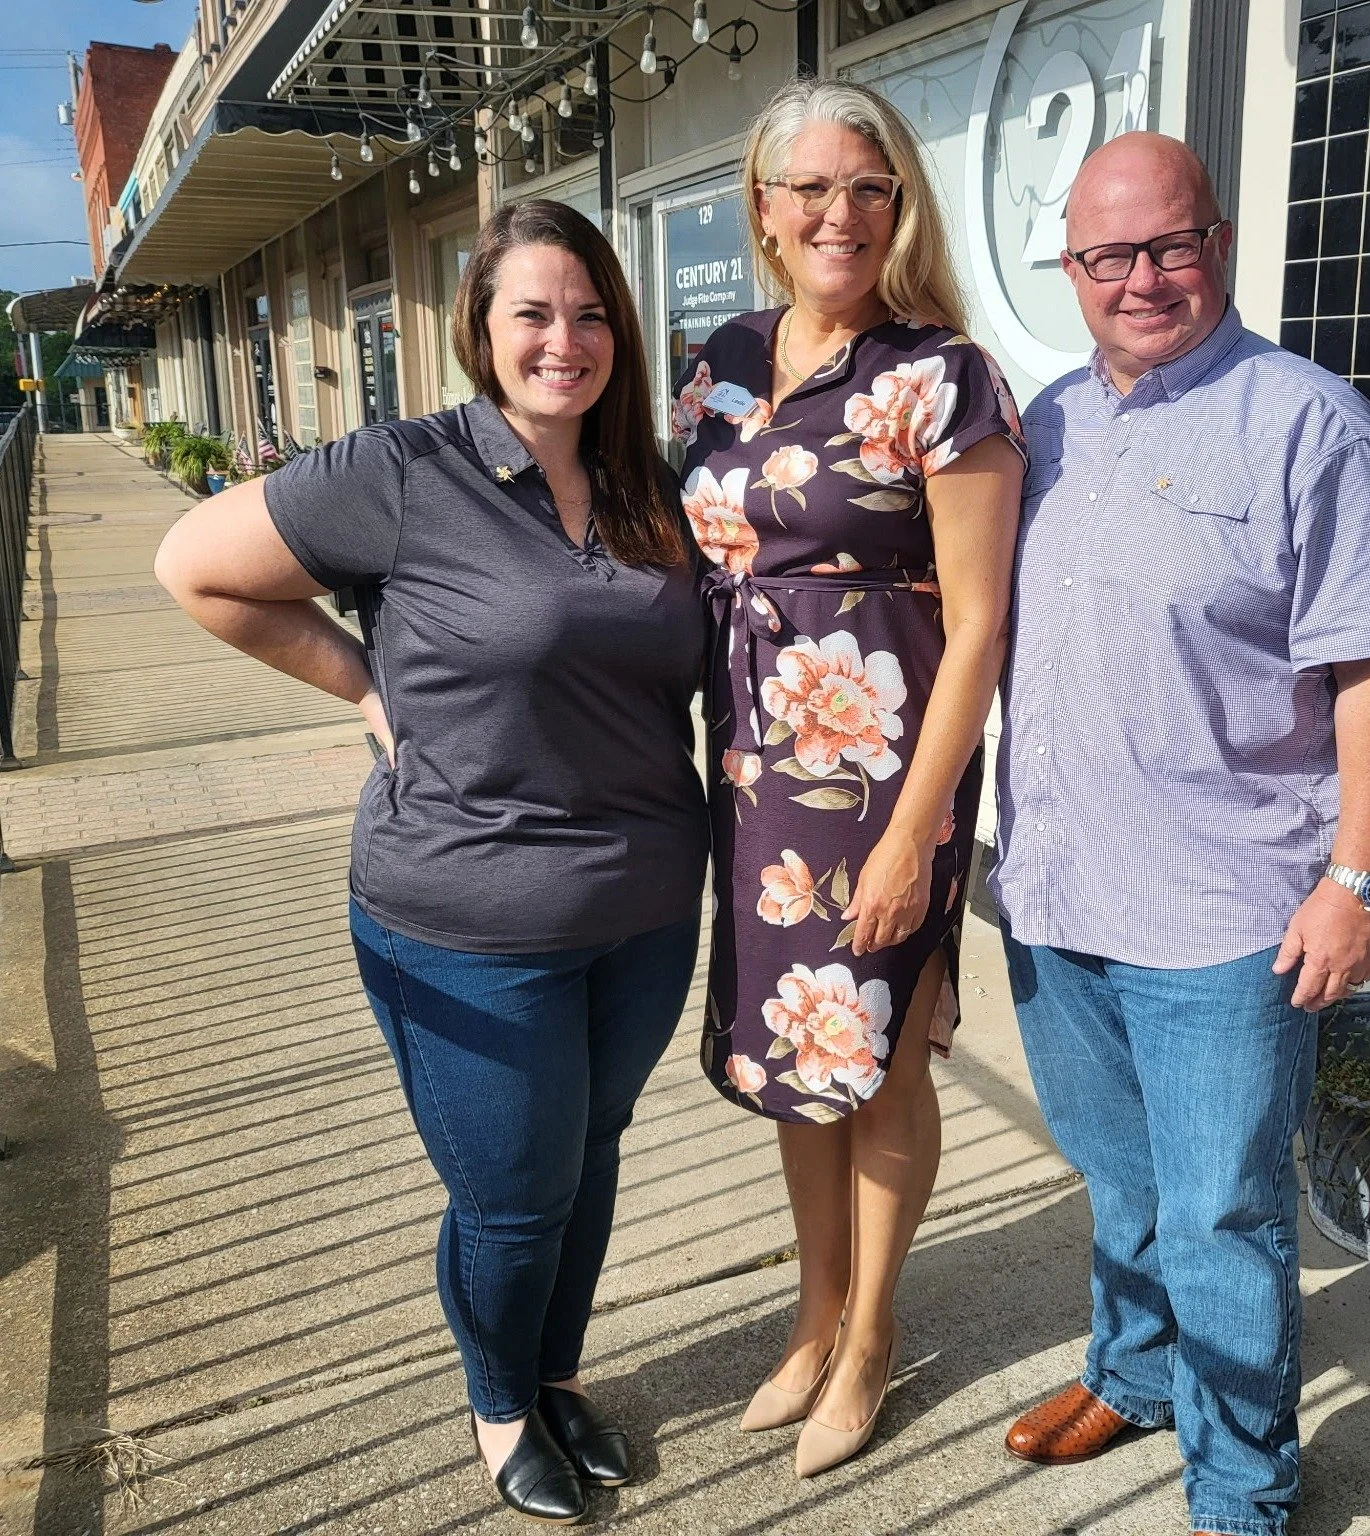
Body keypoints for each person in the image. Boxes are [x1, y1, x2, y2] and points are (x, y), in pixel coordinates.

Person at [155, 200, 708, 1527]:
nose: (563, 341)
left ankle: (556, 1372)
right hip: (467, 914)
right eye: (532, 312)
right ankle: (500, 1403)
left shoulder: (652, 484)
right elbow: (197, 567)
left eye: (588, 315)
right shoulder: (405, 470)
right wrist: (357, 684)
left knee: (595, 1152)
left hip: (641, 910)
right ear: (479, 326)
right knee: (514, 1195)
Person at [992, 132, 1370, 1536]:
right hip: (1057, 895)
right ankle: (1134, 1375)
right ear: (1071, 269)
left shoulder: (1308, 423)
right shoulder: (1046, 425)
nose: (1142, 278)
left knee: (1222, 1218)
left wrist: (1355, 880)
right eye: (1108, 256)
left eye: (1169, 245)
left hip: (1221, 913)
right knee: (1118, 1177)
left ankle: (1244, 1488)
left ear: (1220, 245)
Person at [673, 76, 1025, 1478]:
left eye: (867, 188)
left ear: (900, 207)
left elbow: (983, 620)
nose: (839, 212)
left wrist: (916, 835)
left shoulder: (941, 376)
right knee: (794, 1057)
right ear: (762, 209)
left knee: (875, 1065)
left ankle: (873, 1334)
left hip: (889, 775)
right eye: (809, 187)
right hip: (757, 776)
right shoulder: (722, 361)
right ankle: (812, 1320)